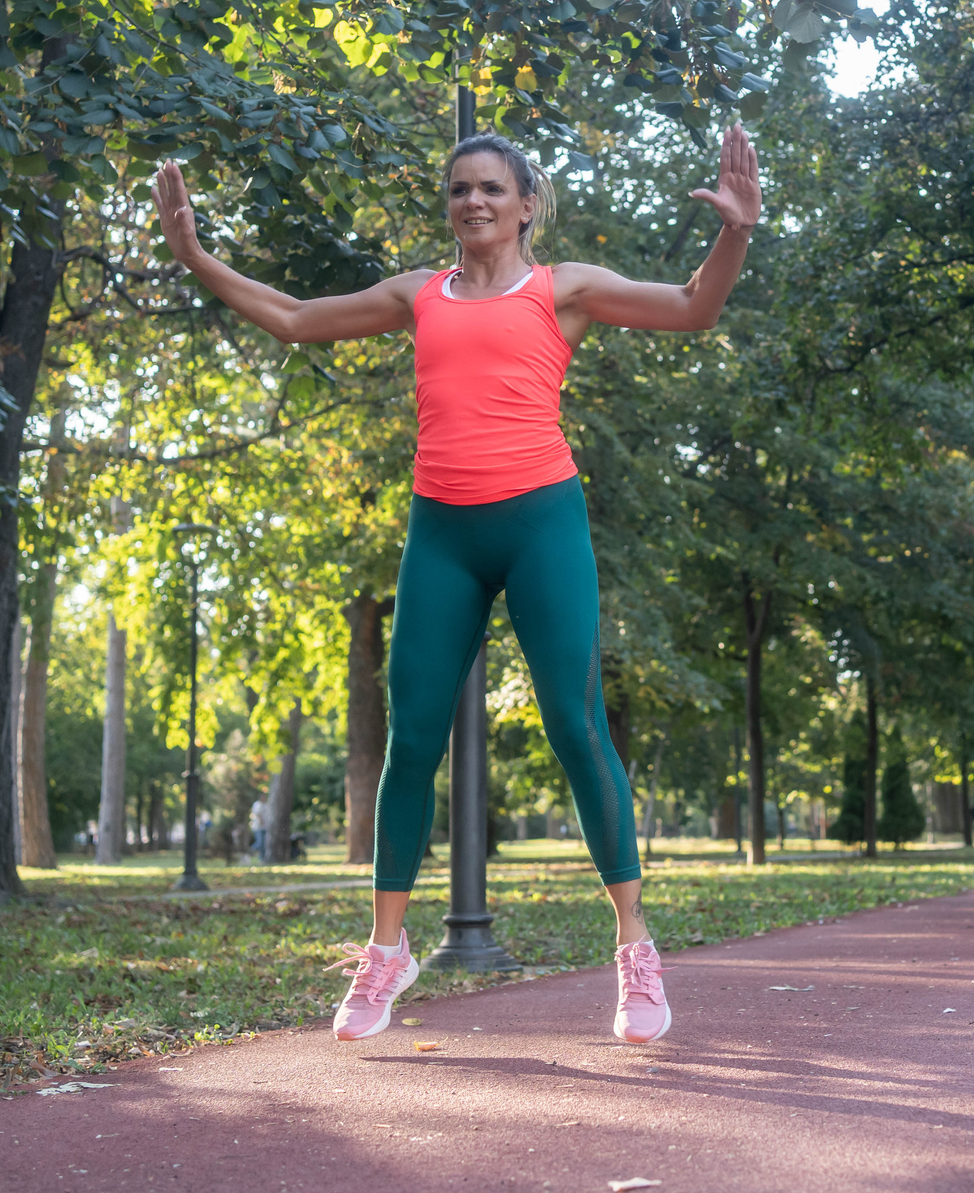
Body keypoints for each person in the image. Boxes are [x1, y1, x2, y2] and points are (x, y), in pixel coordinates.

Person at [153, 123, 761, 1046]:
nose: (471, 202)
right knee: (412, 739)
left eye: (488, 188)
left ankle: (634, 944)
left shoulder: (566, 290)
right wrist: (195, 254)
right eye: (456, 190)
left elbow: (691, 308)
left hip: (540, 522)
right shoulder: (417, 294)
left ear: (525, 205)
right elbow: (291, 316)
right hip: (441, 531)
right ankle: (385, 951)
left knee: (575, 723)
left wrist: (735, 232)